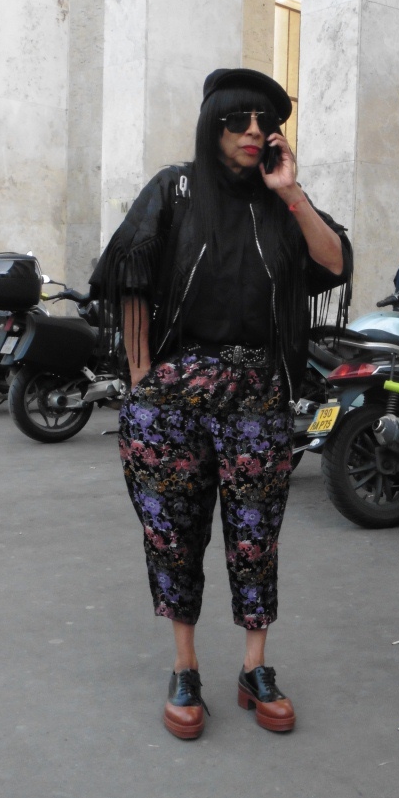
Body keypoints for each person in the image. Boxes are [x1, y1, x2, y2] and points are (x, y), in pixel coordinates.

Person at [91, 68, 352, 740]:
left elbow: (334, 263)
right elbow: (130, 275)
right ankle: (185, 667)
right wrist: (142, 378)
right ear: (213, 126)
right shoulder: (175, 189)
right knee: (174, 534)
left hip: (257, 393)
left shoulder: (280, 203)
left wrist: (290, 192)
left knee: (256, 534)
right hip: (172, 397)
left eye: (266, 123)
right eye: (239, 120)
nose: (254, 132)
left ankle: (254, 668)